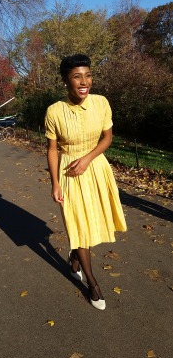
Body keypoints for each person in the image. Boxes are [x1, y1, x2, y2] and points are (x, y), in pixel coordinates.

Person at [45, 54, 127, 310]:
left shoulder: (101, 103)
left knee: (90, 224)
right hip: (69, 174)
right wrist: (55, 183)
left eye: (88, 75)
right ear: (65, 80)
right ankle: (92, 283)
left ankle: (74, 258)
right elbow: (51, 149)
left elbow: (107, 138)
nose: (84, 82)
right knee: (78, 225)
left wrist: (88, 159)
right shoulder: (54, 111)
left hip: (95, 169)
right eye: (77, 76)